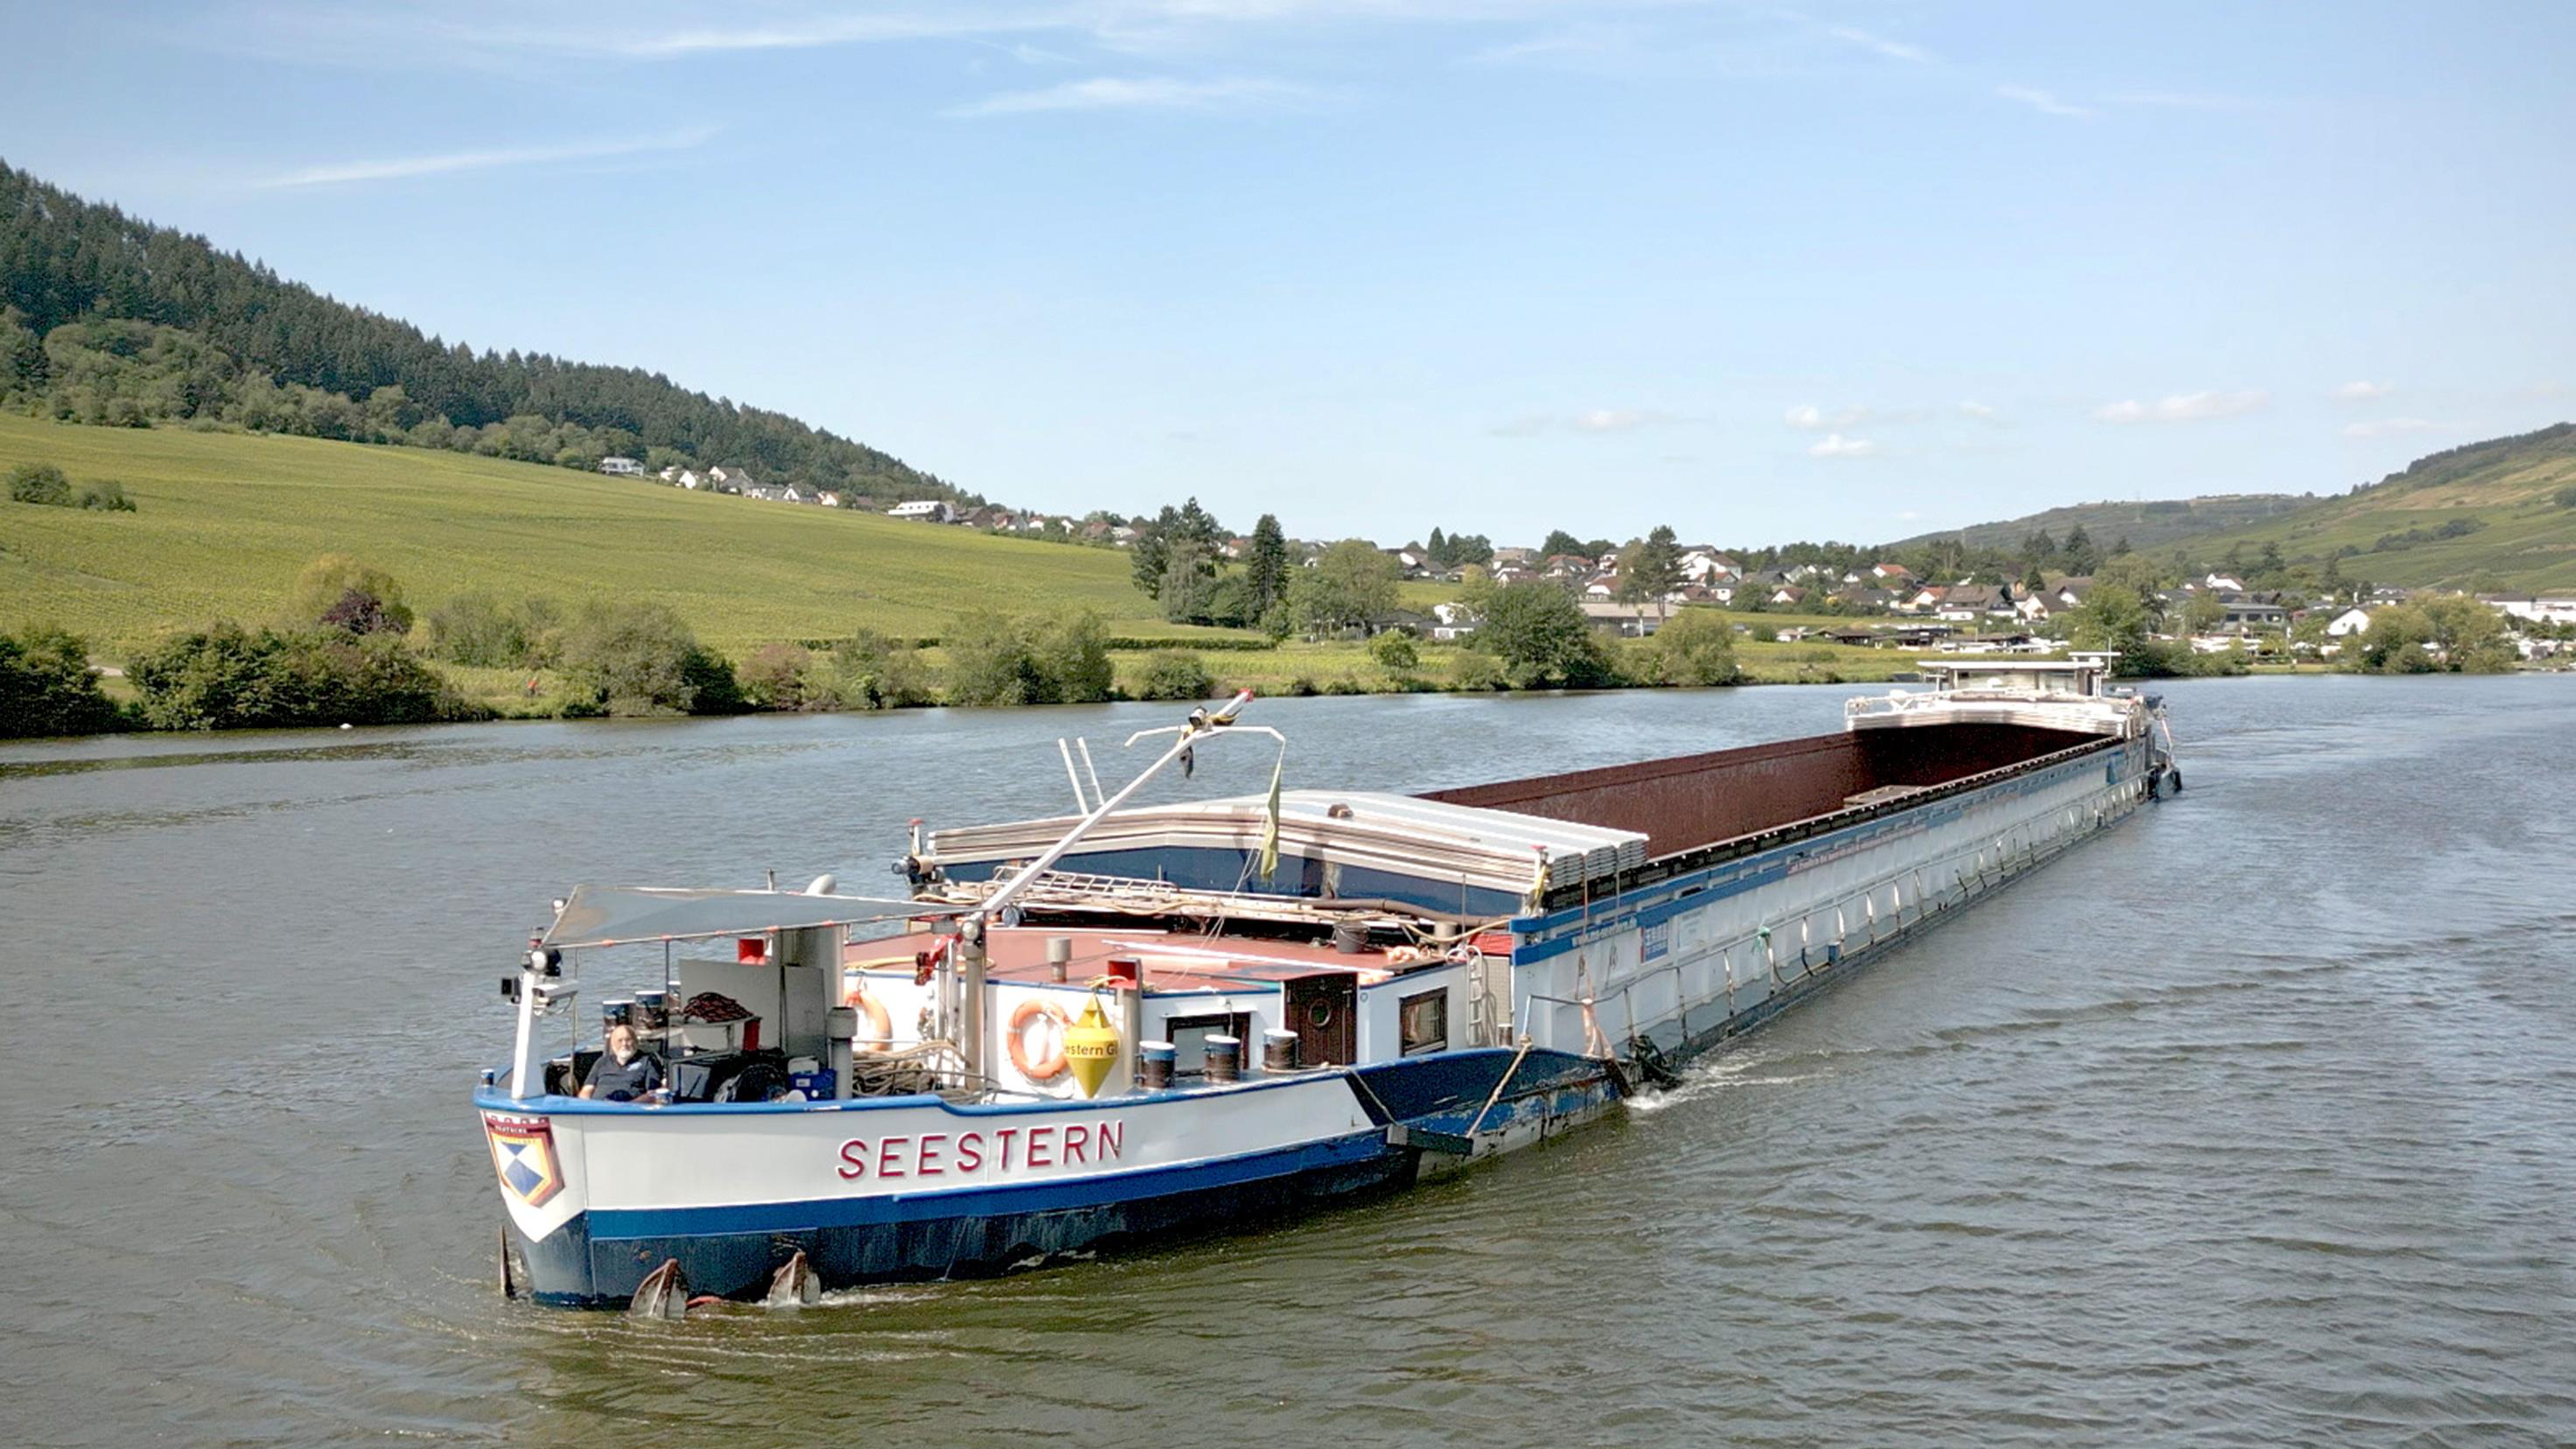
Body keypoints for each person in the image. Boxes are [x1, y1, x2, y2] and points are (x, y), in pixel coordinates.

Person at [580, 1021, 664, 1102]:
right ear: (613, 1044)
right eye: (620, 1041)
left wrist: (629, 1106)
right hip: (598, 1110)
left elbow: (653, 1093)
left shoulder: (647, 1061)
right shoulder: (602, 1062)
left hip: (628, 1111)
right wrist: (586, 1106)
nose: (624, 1044)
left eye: (628, 1040)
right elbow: (587, 1089)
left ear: (635, 1041)